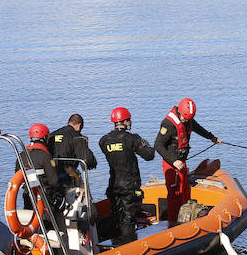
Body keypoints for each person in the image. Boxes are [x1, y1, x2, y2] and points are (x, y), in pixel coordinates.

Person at [154, 97, 222, 224]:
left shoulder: (188, 119)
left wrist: (211, 137)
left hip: (182, 163)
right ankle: (173, 223)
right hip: (171, 165)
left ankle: (185, 220)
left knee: (184, 192)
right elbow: (158, 145)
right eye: (185, 118)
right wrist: (174, 161)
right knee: (174, 195)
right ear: (179, 112)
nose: (186, 121)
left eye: (188, 119)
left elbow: (198, 128)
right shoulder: (168, 124)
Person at [99, 107, 155, 246]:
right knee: (129, 219)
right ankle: (130, 249)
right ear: (125, 121)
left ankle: (114, 244)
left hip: (114, 186)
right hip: (129, 186)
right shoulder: (131, 138)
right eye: (129, 120)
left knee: (117, 216)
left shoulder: (104, 140)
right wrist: (144, 143)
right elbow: (149, 155)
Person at [15, 122, 61, 212]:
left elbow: (18, 178)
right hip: (45, 199)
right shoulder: (46, 156)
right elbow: (54, 181)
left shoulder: (21, 155)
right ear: (44, 138)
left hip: (28, 198)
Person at [50, 113, 98, 185]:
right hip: (69, 173)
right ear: (79, 125)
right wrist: (93, 163)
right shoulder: (76, 137)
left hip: (51, 173)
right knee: (82, 188)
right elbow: (88, 159)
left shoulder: (52, 135)